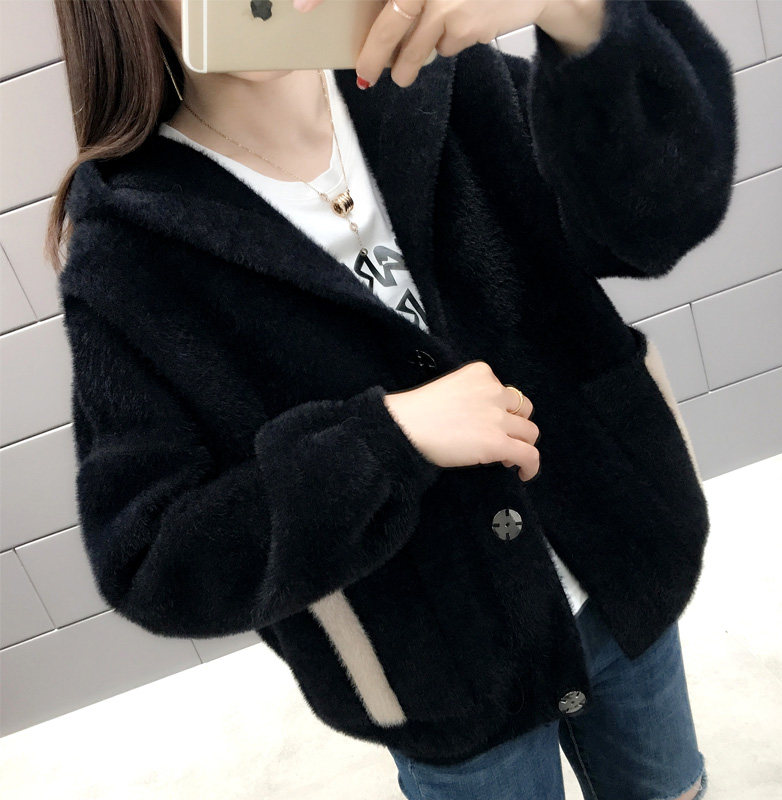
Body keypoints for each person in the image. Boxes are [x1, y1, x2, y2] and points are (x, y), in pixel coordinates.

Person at [47, 1, 737, 798]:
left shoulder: (449, 80)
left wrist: (577, 12)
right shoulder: (130, 249)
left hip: (622, 572)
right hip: (442, 680)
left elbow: (661, 217)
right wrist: (382, 444)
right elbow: (153, 557)